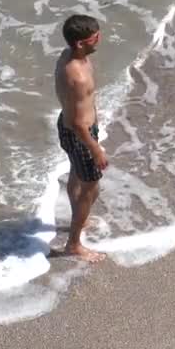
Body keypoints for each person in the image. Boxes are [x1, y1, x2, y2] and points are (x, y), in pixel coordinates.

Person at [54, 14, 108, 261]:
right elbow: (78, 122)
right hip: (80, 134)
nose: (99, 39)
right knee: (90, 189)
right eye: (95, 37)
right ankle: (74, 243)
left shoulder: (69, 57)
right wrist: (95, 149)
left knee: (77, 176)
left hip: (71, 128)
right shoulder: (77, 75)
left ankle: (78, 221)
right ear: (80, 43)